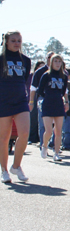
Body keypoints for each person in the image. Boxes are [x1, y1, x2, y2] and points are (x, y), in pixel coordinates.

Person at [0, 31, 32, 183]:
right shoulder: (1, 59)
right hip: (3, 101)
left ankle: (16, 166)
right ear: (6, 42)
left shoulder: (26, 60)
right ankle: (4, 170)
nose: (16, 43)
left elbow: (24, 80)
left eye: (19, 40)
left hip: (20, 100)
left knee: (24, 133)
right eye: (13, 40)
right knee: (4, 137)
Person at [39, 54, 69, 163]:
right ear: (51, 63)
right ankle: (44, 146)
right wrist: (46, 97)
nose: (57, 63)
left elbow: (64, 91)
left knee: (58, 131)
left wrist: (66, 102)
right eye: (55, 61)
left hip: (58, 104)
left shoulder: (64, 76)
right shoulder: (46, 75)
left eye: (59, 61)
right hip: (47, 103)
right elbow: (40, 90)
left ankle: (56, 153)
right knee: (48, 131)